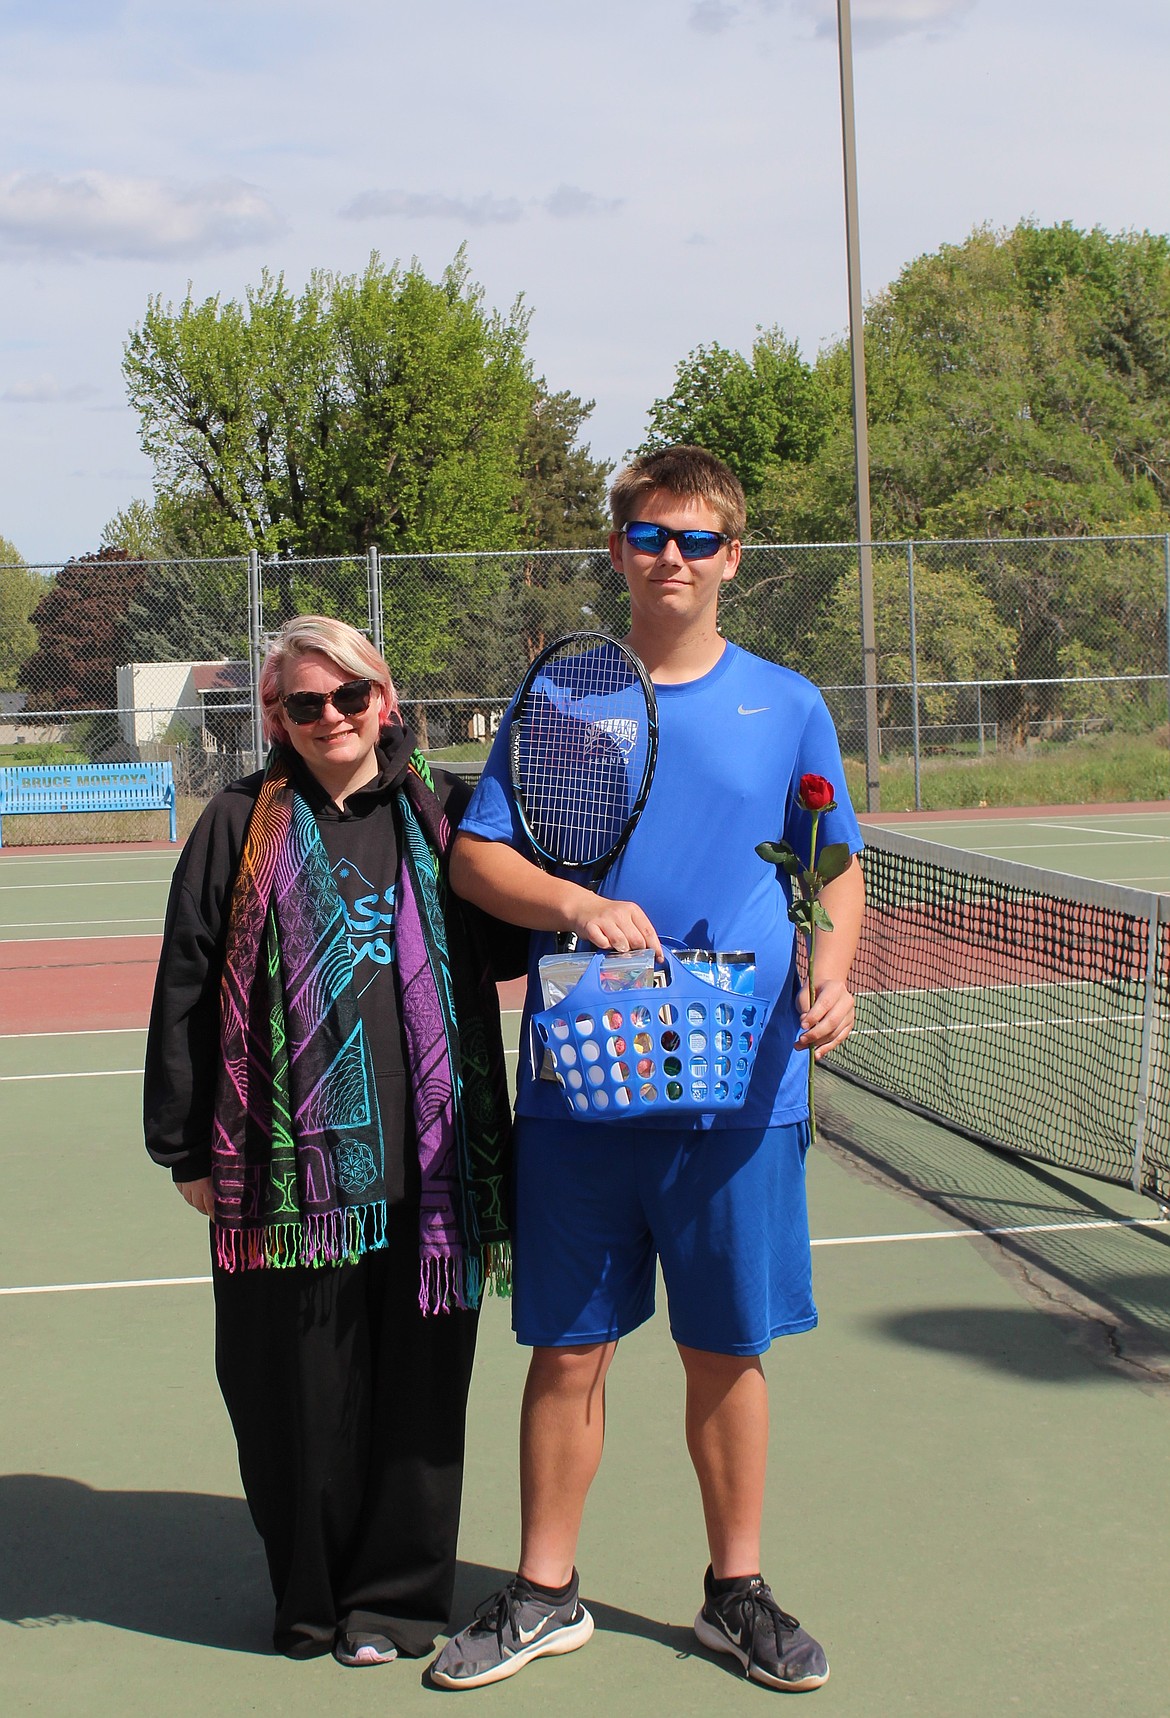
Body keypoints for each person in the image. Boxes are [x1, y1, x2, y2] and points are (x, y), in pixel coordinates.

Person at [430, 446, 865, 1694]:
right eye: (647, 535)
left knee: (728, 1347)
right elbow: (479, 862)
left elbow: (831, 870)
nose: (670, 557)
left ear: (734, 556)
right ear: (617, 549)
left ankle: (737, 1591)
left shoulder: (787, 705)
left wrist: (833, 972)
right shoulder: (561, 702)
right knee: (567, 1347)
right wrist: (572, 902)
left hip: (742, 1085)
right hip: (584, 1075)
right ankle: (546, 1590)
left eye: (697, 539)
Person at [143, 615, 520, 1667]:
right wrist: (183, 1147)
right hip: (282, 1177)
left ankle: (397, 1600)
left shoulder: (446, 815)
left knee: (418, 1392)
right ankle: (310, 1600)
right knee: (291, 1396)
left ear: (385, 699)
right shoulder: (234, 823)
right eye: (304, 703)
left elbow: (499, 950)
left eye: (349, 696)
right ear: (276, 714)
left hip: (434, 1163)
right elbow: (186, 977)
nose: (330, 718)